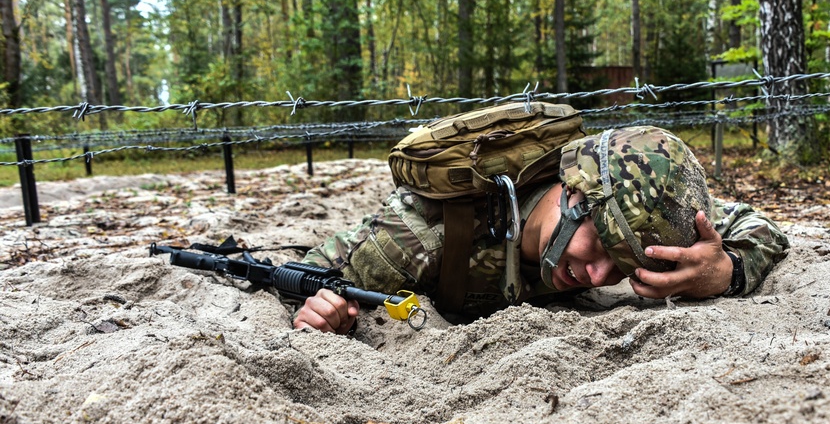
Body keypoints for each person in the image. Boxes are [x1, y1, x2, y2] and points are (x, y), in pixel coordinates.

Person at [294, 126, 790, 334]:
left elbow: (757, 225)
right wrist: (318, 309)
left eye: (622, 267)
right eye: (601, 246)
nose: (597, 276)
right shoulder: (421, 234)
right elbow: (307, 275)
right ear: (572, 191)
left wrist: (725, 271)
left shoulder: (634, 209)